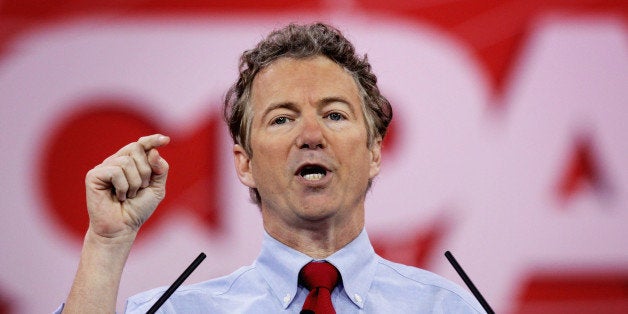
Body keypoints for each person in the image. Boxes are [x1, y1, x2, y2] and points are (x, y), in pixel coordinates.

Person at [60, 23, 484, 313]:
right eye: (282, 118)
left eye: (335, 114)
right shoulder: (174, 310)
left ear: (374, 152)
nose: (311, 135)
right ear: (244, 164)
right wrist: (105, 243)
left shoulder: (448, 307)